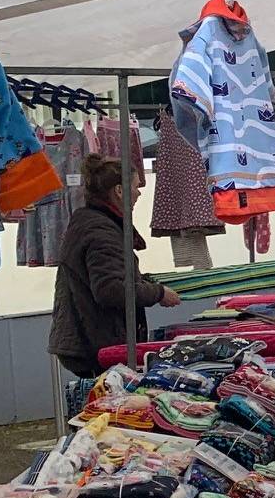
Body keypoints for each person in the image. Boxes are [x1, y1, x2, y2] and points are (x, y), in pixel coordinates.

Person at [49, 154, 180, 376]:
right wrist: (158, 293)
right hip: (95, 342)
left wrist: (147, 283)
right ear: (119, 191)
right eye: (137, 186)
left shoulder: (92, 223)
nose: (139, 193)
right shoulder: (101, 232)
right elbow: (111, 289)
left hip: (87, 337)